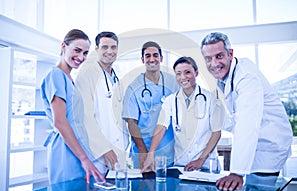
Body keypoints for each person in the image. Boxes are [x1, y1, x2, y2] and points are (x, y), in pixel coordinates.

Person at [200, 32, 293, 191]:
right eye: (208, 59)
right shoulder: (225, 79)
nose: (214, 63)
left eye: (219, 56)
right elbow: (235, 118)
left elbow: (246, 123)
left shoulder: (246, 77)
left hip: (268, 146)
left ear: (230, 54)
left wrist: (237, 172)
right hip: (258, 145)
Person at [40, 29, 105, 184]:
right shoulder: (56, 75)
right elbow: (60, 122)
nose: (80, 57)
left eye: (85, 53)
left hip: (77, 150)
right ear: (64, 46)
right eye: (77, 50)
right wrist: (84, 159)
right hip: (65, 151)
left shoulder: (70, 79)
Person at [142, 56, 224, 172]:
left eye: (187, 72)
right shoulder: (170, 101)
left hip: (206, 165)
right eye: (178, 73)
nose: (183, 77)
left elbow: (217, 133)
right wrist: (150, 154)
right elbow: (161, 127)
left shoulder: (212, 99)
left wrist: (201, 160)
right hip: (182, 164)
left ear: (196, 73)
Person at [74, 31, 129, 174]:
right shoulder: (87, 73)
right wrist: (103, 148)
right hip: (99, 154)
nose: (109, 51)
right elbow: (85, 116)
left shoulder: (116, 77)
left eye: (113, 47)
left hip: (119, 150)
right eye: (105, 47)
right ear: (97, 49)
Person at [122, 41, 179, 170]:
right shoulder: (133, 87)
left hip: (168, 152)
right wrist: (143, 152)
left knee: (168, 188)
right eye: (147, 56)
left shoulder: (174, 82)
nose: (151, 59)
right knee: (143, 189)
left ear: (161, 58)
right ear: (142, 59)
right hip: (142, 151)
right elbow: (131, 122)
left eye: (155, 55)